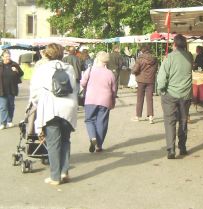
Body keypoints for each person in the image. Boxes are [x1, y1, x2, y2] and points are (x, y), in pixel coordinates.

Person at [30, 43, 78, 185]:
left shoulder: (42, 69)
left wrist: (37, 103)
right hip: (68, 108)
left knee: (53, 143)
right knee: (65, 140)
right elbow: (74, 87)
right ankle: (64, 172)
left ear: (47, 54)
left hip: (50, 108)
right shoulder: (69, 68)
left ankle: (55, 176)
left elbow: (35, 92)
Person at [157, 34, 193, 159]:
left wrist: (161, 90)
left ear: (174, 45)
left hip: (170, 94)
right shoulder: (190, 56)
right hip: (186, 94)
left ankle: (171, 149)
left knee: (170, 121)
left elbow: (161, 78)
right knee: (183, 120)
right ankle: (182, 147)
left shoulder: (169, 58)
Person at [81, 51, 116, 153]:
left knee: (89, 120)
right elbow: (114, 90)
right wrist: (113, 101)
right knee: (102, 122)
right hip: (105, 100)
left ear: (97, 59)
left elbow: (83, 83)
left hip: (90, 99)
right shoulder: (110, 73)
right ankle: (99, 146)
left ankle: (93, 138)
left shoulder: (90, 70)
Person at [132, 45, 157, 124]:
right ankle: (151, 117)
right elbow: (156, 69)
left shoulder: (140, 59)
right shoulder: (155, 59)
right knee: (150, 98)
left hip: (141, 80)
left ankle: (138, 116)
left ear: (142, 50)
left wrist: (133, 72)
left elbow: (135, 70)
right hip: (150, 80)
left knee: (140, 98)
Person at [0, 50, 24, 130]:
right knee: (3, 107)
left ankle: (9, 121)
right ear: (2, 57)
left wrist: (16, 70)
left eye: (9, 56)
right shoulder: (0, 65)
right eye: (6, 56)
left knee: (11, 106)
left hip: (12, 89)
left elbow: (21, 73)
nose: (8, 58)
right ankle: (3, 123)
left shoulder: (14, 64)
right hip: (2, 89)